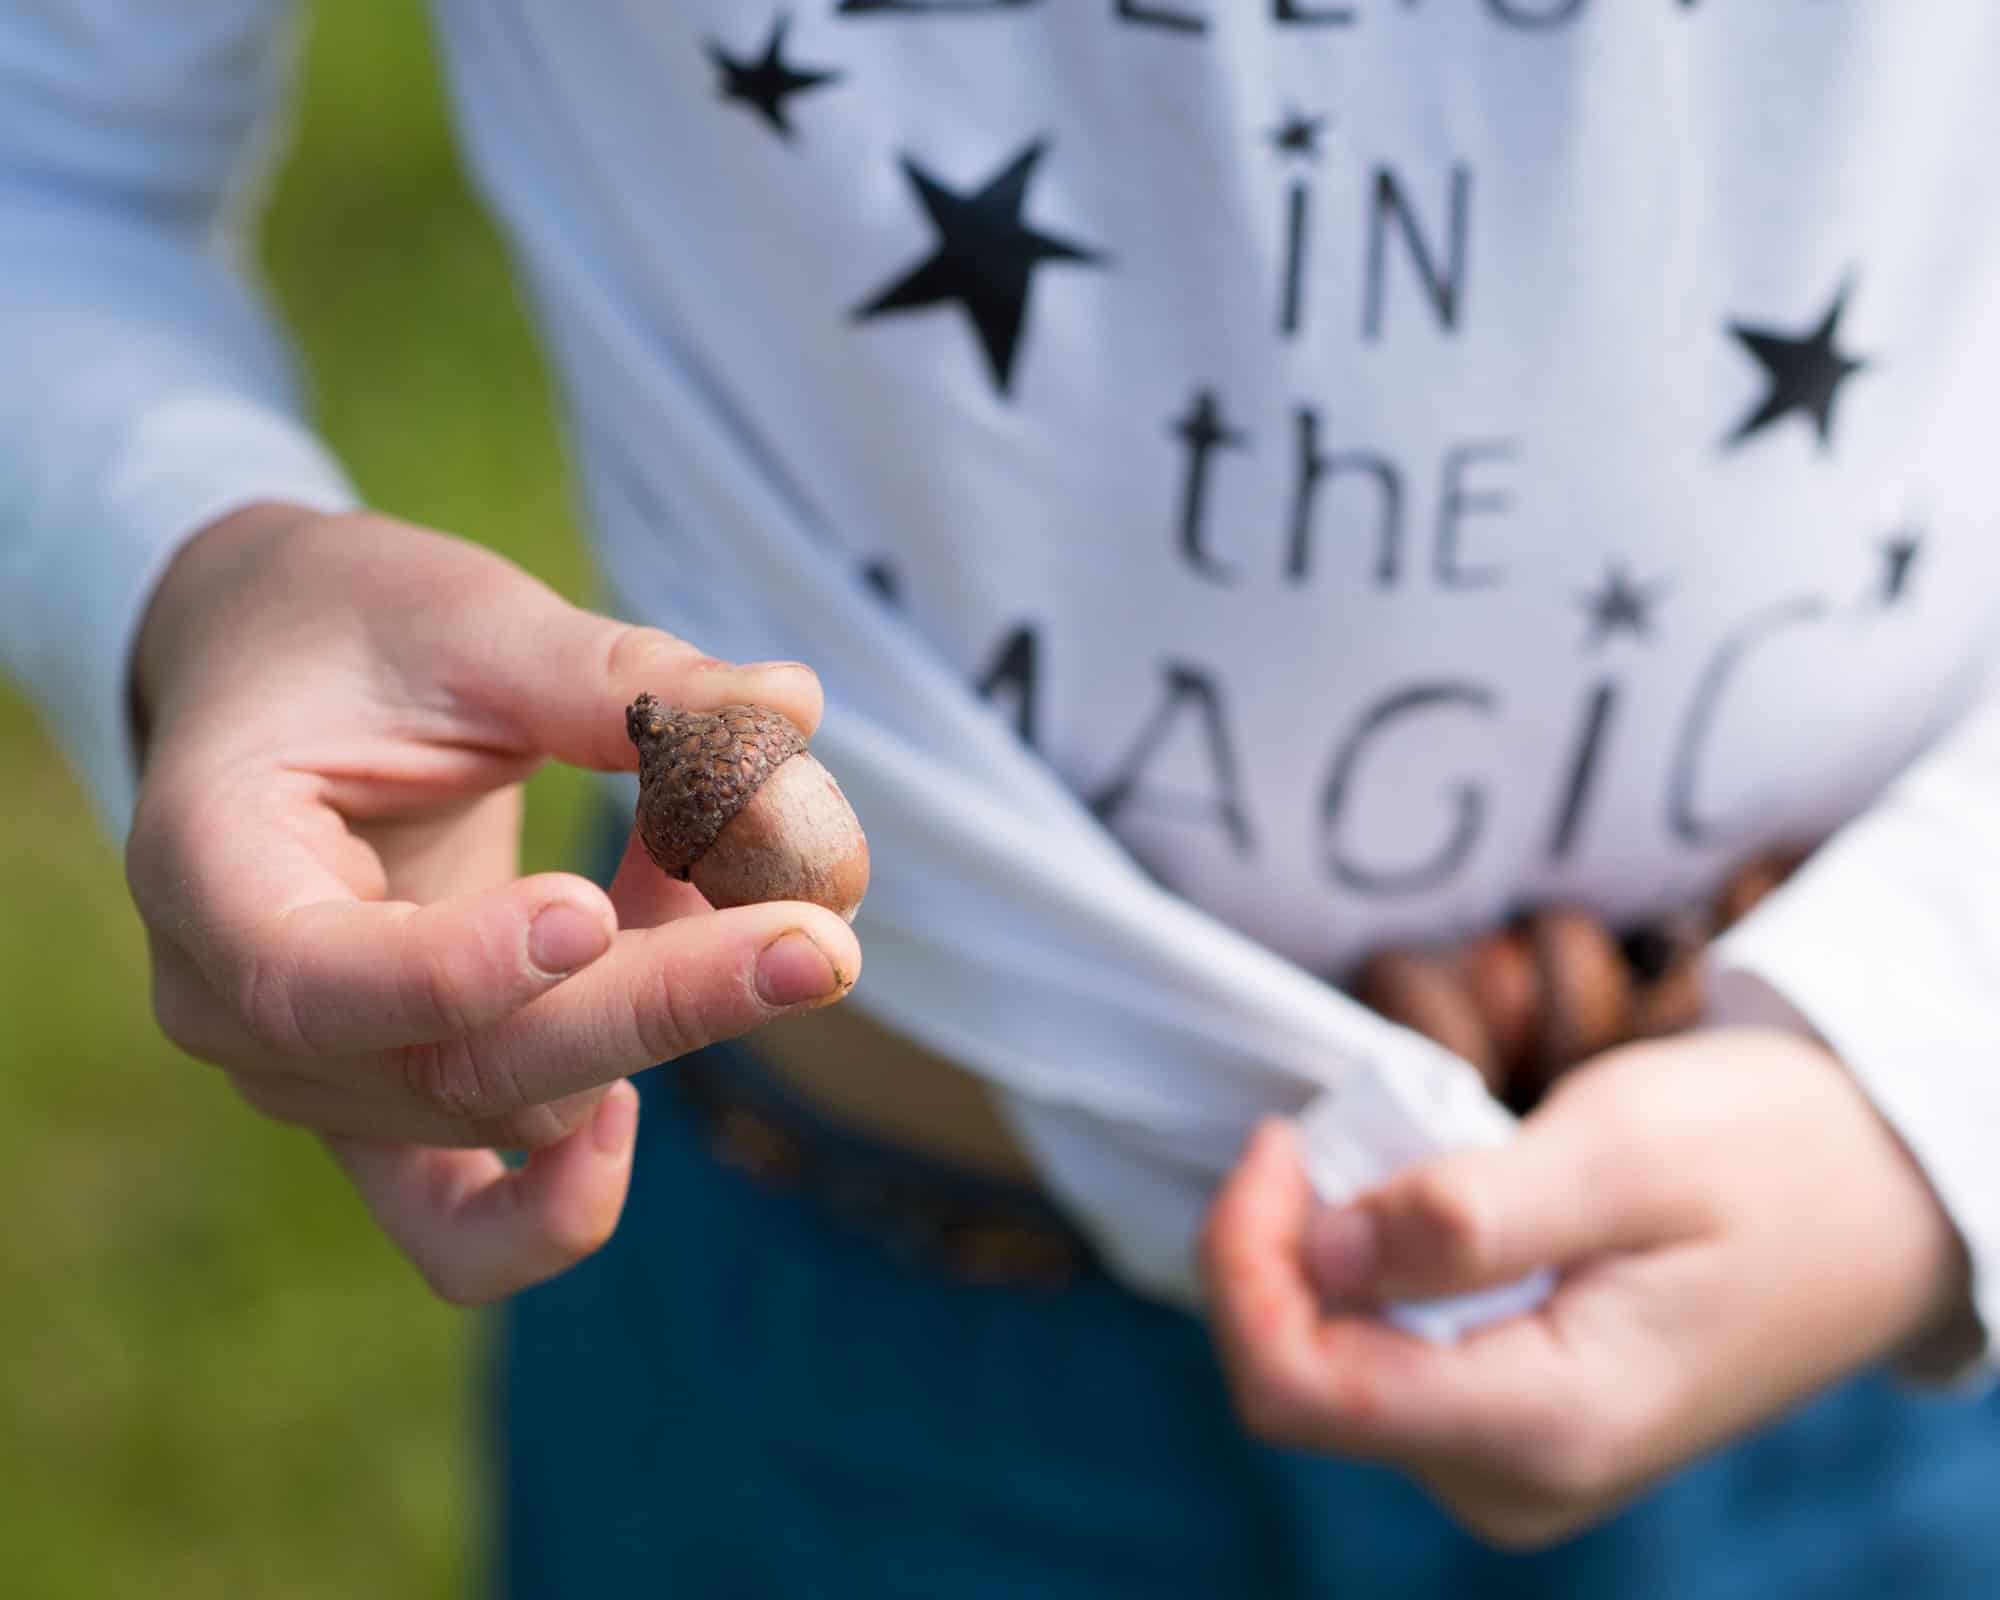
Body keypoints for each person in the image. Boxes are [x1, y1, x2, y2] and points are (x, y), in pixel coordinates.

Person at [5, 2, 2000, 1593]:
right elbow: (49, 158)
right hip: (847, 1317)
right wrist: (194, 571)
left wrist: (1931, 1059)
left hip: (1874, 1282)